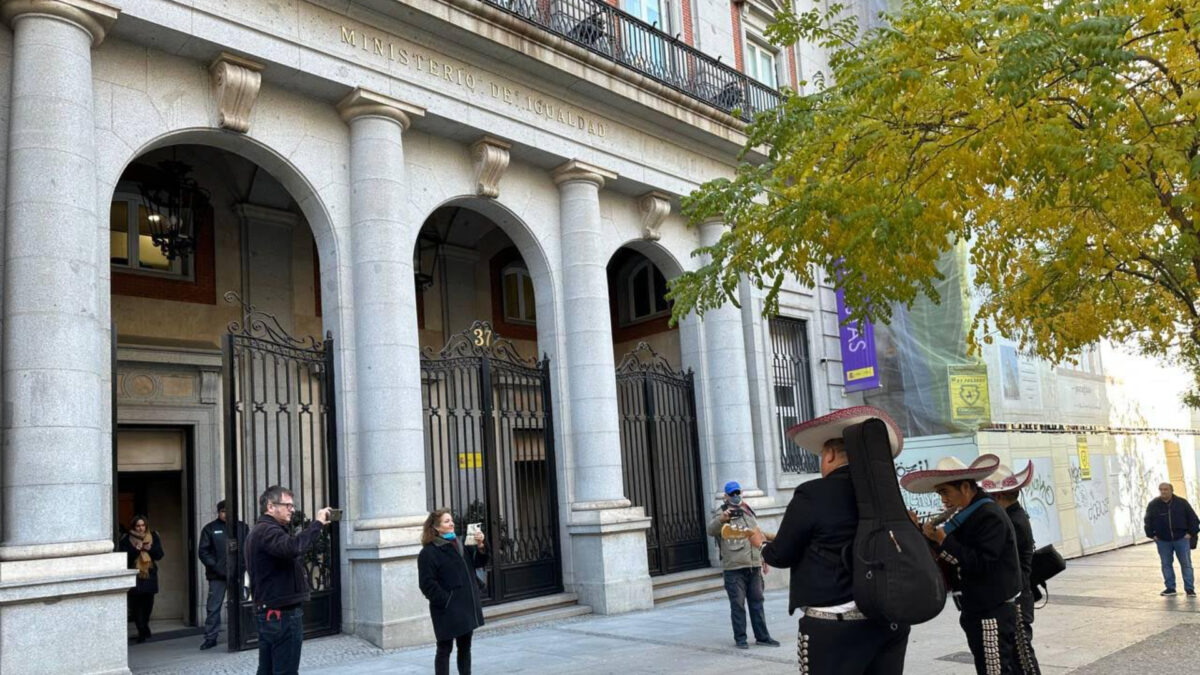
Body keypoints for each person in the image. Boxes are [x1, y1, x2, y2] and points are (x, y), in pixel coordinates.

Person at [755, 406, 911, 674]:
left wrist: (761, 543)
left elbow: (781, 555)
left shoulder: (812, 493)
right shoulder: (886, 494)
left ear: (828, 455)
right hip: (889, 620)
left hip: (834, 628)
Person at [903, 454, 1022, 675]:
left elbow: (979, 563)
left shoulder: (988, 515)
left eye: (945, 492)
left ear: (965, 487)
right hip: (976, 606)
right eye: (940, 494)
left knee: (995, 669)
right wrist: (925, 533)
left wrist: (942, 540)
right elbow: (953, 556)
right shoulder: (970, 514)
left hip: (992, 609)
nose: (943, 500)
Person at [246, 485, 332, 675]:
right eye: (288, 505)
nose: (292, 510)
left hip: (271, 612)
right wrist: (316, 524)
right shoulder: (267, 531)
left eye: (292, 506)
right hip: (281, 615)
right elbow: (294, 547)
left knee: (267, 670)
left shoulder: (262, 530)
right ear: (270, 506)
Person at [981, 462, 1042, 675]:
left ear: (998, 497)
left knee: (1022, 658)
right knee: (1019, 657)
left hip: (1017, 598)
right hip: (1019, 595)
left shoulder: (1011, 521)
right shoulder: (1015, 516)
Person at [707, 480, 779, 650]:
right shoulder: (722, 513)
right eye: (732, 494)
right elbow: (710, 530)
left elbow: (756, 535)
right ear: (725, 496)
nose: (735, 496)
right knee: (738, 605)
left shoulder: (747, 511)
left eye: (737, 493)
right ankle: (740, 639)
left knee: (757, 602)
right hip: (734, 568)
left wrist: (764, 559)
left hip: (753, 565)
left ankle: (763, 637)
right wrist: (722, 520)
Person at [418, 509, 488, 675]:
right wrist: (446, 600)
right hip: (446, 609)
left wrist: (481, 546)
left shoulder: (462, 543)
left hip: (465, 606)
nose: (452, 523)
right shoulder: (428, 552)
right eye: (446, 521)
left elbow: (479, 563)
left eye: (451, 520)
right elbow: (426, 584)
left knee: (465, 648)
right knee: (444, 649)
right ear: (436, 528)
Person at [198, 499, 247, 650]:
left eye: (229, 511)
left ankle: (243, 634)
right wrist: (217, 568)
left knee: (242, 604)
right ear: (219, 512)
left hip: (239, 574)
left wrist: (244, 567)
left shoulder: (242, 527)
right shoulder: (210, 528)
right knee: (213, 607)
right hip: (217, 576)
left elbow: (248, 547)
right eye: (223, 511)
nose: (226, 514)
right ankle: (211, 637)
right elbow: (203, 552)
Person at [1143, 482, 1199, 597]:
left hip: (1181, 539)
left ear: (1171, 490)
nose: (1163, 492)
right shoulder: (1154, 504)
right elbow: (1148, 520)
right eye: (1161, 489)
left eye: (1166, 489)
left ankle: (1189, 589)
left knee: (1186, 564)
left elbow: (1194, 519)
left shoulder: (1182, 503)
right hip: (1163, 540)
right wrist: (1151, 534)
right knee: (1166, 564)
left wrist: (1190, 533)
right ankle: (1170, 588)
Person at [119, 514, 164, 644]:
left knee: (148, 603)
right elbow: (124, 557)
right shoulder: (127, 539)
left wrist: (149, 549)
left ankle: (145, 625)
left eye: (142, 525)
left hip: (149, 574)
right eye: (138, 526)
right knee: (136, 605)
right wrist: (136, 550)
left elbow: (160, 554)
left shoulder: (153, 536)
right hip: (135, 574)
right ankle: (142, 631)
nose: (140, 528)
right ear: (134, 526)